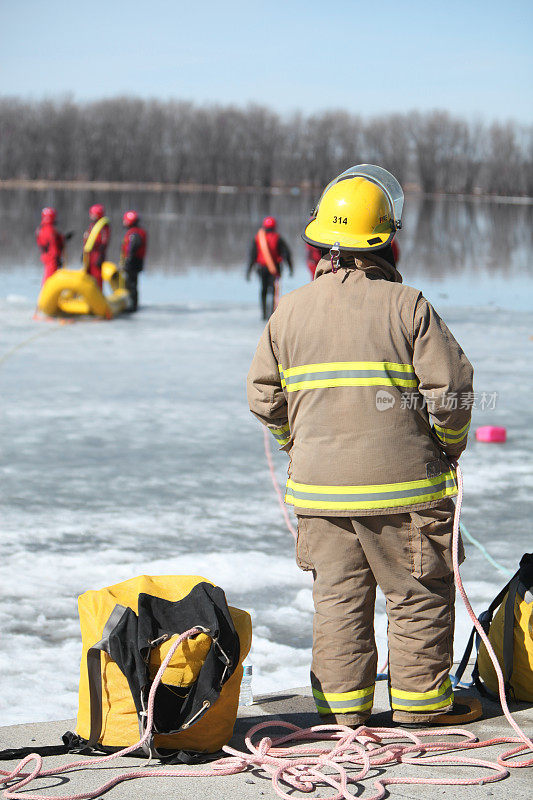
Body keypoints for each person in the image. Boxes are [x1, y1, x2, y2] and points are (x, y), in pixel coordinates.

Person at [247, 164, 481, 728]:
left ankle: (342, 715)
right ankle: (423, 709)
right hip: (407, 495)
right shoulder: (409, 305)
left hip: (320, 496)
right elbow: (450, 392)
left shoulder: (289, 311)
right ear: (386, 237)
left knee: (338, 603)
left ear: (324, 237)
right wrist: (448, 446)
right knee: (417, 597)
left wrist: (296, 445)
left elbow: (263, 396)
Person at [246, 216, 293, 319]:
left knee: (263, 290)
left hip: (261, 268)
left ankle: (263, 314)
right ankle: (271, 314)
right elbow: (286, 254)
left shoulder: (258, 238)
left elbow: (253, 255)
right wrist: (290, 267)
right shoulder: (278, 238)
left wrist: (248, 271)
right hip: (274, 269)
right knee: (273, 291)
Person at [119, 210, 147, 312]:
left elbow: (133, 247)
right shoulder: (138, 232)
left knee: (131, 284)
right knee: (132, 283)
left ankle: (132, 306)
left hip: (133, 262)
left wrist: (128, 260)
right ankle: (132, 303)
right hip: (136, 262)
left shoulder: (134, 234)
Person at [35, 207, 67, 285]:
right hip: (52, 258)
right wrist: (57, 259)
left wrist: (63, 238)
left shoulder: (42, 228)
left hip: (47, 256)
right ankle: (48, 295)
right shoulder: (49, 229)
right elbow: (53, 245)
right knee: (50, 278)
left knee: (49, 277)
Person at [82, 204, 110, 290]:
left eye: (92, 214)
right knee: (88, 275)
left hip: (97, 254)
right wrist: (82, 254)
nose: (90, 216)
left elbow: (104, 242)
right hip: (89, 255)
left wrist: (101, 256)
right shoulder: (92, 226)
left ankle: (97, 295)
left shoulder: (104, 227)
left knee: (96, 276)